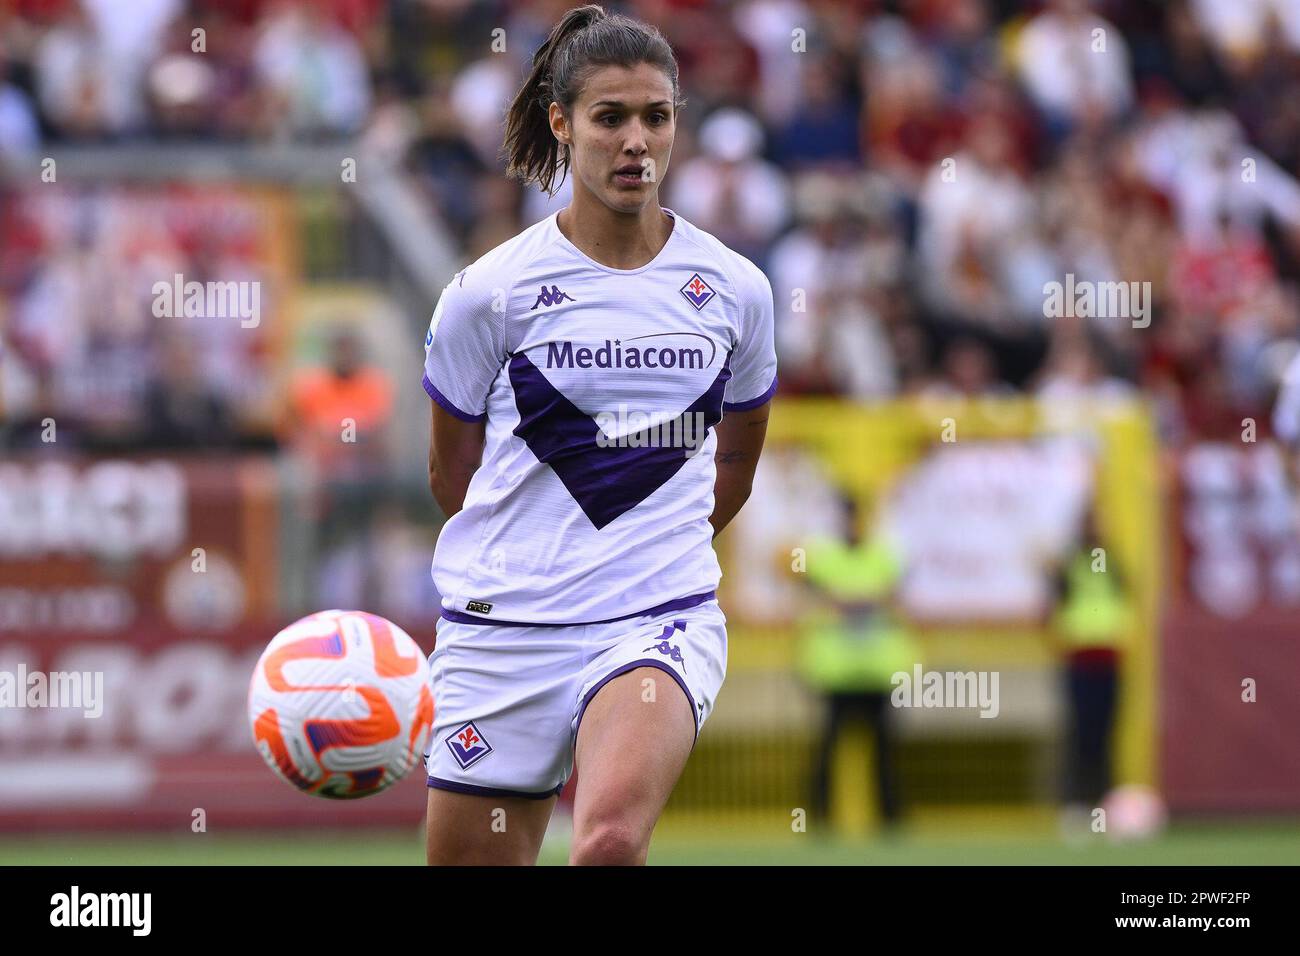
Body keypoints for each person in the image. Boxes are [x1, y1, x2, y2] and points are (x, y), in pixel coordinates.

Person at [420, 5, 777, 866]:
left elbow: (736, 464)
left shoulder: (736, 290)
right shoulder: (486, 293)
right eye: (609, 117)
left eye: (656, 117)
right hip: (502, 631)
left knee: (610, 841)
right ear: (562, 123)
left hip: (653, 618)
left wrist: (649, 558)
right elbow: (451, 476)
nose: (636, 142)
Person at [796, 492, 916, 830]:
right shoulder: (825, 556)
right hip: (837, 672)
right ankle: (819, 819)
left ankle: (890, 819)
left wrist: (847, 598)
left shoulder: (883, 555)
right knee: (827, 750)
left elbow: (889, 595)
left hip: (877, 670)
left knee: (884, 752)